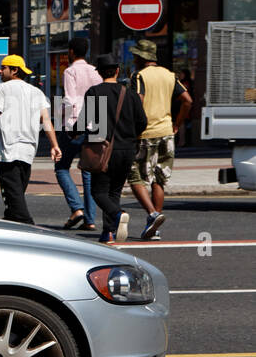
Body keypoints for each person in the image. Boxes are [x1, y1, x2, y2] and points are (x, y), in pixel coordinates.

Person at [0, 54, 61, 225]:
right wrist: (54, 145)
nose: (0, 70)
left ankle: (28, 227)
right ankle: (11, 225)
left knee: (14, 197)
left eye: (3, 67)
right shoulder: (37, 92)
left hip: (8, 151)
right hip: (28, 151)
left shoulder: (2, 89)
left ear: (14, 70)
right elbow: (46, 121)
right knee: (15, 196)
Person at [79, 53, 147, 243]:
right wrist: (129, 134)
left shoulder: (94, 92)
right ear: (117, 71)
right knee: (114, 192)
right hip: (126, 149)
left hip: (103, 148)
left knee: (98, 192)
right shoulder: (130, 94)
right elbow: (142, 122)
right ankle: (108, 232)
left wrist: (72, 132)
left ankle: (117, 215)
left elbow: (86, 120)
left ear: (99, 73)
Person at [127, 38, 190, 240]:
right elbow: (187, 100)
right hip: (166, 132)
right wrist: (177, 124)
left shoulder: (139, 76)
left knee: (134, 175)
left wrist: (132, 127)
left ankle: (153, 214)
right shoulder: (169, 75)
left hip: (145, 133)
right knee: (159, 179)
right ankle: (155, 227)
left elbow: (138, 101)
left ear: (140, 57)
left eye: (136, 55)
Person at [57, 37, 100, 230]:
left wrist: (66, 123)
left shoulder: (70, 71)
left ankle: (77, 208)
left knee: (61, 166)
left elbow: (69, 99)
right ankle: (90, 220)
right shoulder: (95, 72)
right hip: (97, 124)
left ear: (72, 51)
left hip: (76, 124)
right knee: (89, 172)